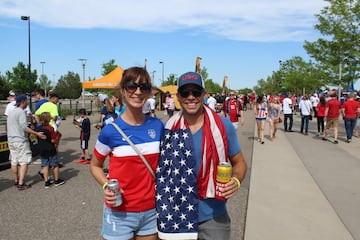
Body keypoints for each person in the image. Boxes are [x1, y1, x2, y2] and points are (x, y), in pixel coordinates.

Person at [156, 71, 247, 240]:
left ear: (204, 95)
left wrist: (236, 181)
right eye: (185, 93)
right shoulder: (167, 129)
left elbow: (240, 163)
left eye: (196, 92)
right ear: (178, 97)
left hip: (213, 215)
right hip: (177, 215)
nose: (191, 97)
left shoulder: (222, 126)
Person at [90, 67, 163, 240]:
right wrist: (106, 185)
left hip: (152, 211)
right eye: (132, 86)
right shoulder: (110, 131)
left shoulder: (158, 126)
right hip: (119, 212)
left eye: (143, 87)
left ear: (148, 93)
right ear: (123, 90)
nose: (138, 92)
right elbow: (95, 165)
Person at [6, 94, 46, 190]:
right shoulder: (21, 112)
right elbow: (24, 127)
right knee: (24, 161)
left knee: (14, 161)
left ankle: (16, 180)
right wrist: (36, 133)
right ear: (23, 101)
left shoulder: (11, 112)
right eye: (27, 101)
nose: (28, 102)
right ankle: (21, 183)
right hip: (20, 140)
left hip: (11, 140)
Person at [37, 112, 65, 188]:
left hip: (42, 149)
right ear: (49, 119)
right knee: (55, 165)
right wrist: (56, 140)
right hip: (50, 148)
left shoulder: (38, 128)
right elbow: (53, 140)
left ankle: (47, 181)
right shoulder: (51, 128)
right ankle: (57, 180)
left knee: (45, 165)